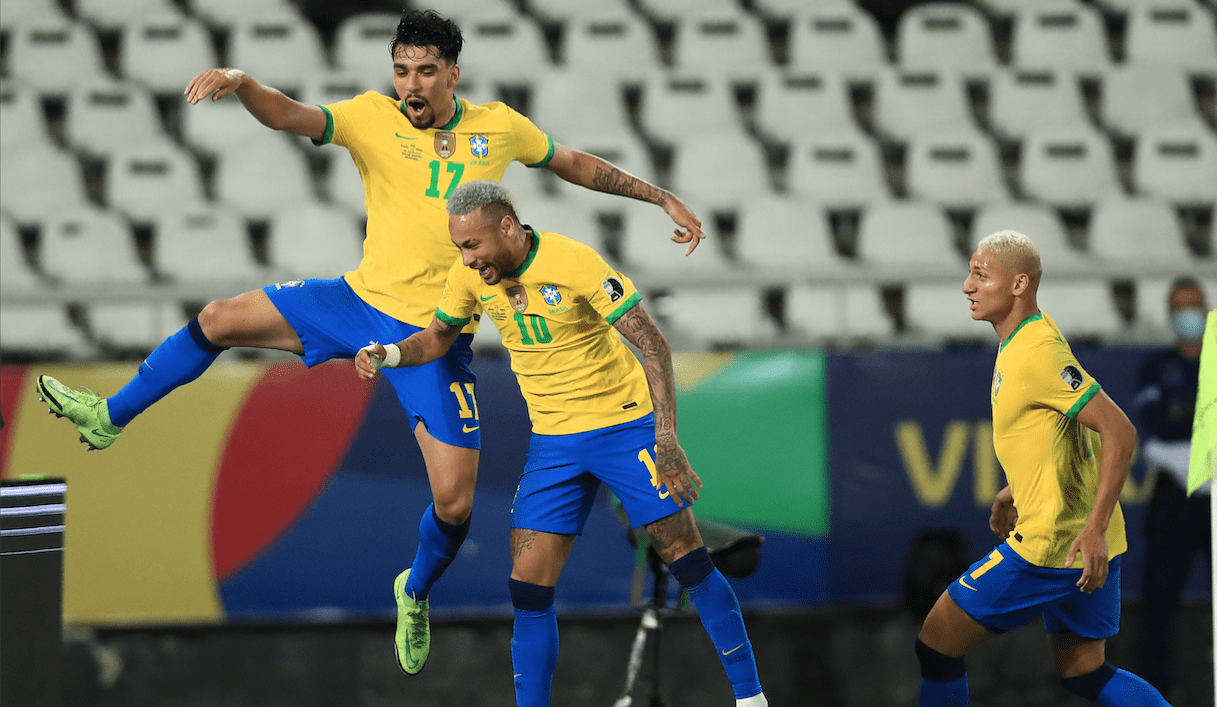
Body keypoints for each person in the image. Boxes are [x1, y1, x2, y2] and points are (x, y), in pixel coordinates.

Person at [34, 9, 707, 677]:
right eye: (400, 70)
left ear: (452, 75)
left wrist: (660, 197)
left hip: (432, 335)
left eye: (424, 72)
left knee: (456, 502)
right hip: (354, 302)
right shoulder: (368, 116)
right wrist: (244, 83)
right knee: (218, 317)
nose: (409, 84)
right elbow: (290, 116)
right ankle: (109, 414)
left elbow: (575, 163)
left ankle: (412, 590)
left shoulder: (498, 125)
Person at [354, 180, 768, 707]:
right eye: (459, 247)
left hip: (626, 430)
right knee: (527, 588)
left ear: (507, 227)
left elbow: (653, 345)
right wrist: (388, 352)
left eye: (473, 245)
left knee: (687, 560)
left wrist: (665, 439)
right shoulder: (469, 278)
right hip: (554, 443)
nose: (467, 259)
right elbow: (437, 336)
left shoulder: (576, 263)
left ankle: (751, 699)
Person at [914, 230, 1171, 706]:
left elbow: (1119, 432)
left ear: (1018, 284)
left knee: (935, 645)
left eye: (980, 274)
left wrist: (1090, 529)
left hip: (1054, 544)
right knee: (1084, 674)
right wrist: (1018, 488)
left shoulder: (1037, 353)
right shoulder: (1031, 333)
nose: (967, 286)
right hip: (1089, 540)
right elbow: (1061, 431)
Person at [1133, 278, 1217, 706]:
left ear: (1206, 309)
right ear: (1170, 315)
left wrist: (1187, 415)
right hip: (1175, 497)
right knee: (1158, 600)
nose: (1187, 315)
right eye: (1178, 308)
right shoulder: (1156, 367)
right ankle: (1152, 691)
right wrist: (1208, 415)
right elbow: (1156, 424)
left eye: (1193, 306)